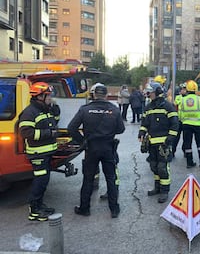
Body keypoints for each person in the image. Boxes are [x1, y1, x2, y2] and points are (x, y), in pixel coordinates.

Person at [68, 83, 125, 218]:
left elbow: (71, 128)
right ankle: (114, 209)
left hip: (91, 148)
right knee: (111, 179)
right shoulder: (114, 109)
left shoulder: (85, 109)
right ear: (105, 95)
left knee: (88, 179)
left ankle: (84, 208)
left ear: (93, 94)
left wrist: (82, 141)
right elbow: (121, 129)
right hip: (108, 147)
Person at [19, 82, 60, 221]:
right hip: (38, 154)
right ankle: (34, 210)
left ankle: (40, 205)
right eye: (48, 96)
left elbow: (54, 123)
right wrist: (48, 133)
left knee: (43, 180)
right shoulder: (30, 112)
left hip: (46, 152)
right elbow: (26, 132)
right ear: (40, 96)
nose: (51, 98)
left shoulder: (45, 109)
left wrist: (56, 112)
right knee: (40, 181)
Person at [138, 82, 179, 203]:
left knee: (162, 167)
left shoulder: (168, 106)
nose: (148, 94)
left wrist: (170, 139)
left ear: (157, 92)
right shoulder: (149, 107)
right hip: (152, 143)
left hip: (164, 144)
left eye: (150, 92)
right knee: (154, 166)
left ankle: (164, 191)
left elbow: (175, 124)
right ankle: (157, 187)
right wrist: (141, 132)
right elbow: (145, 123)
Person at [180, 80, 200, 169]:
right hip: (198, 123)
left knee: (187, 143)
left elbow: (181, 112)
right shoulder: (199, 99)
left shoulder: (183, 99)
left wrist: (183, 121)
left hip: (186, 124)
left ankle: (189, 162)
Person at [172, 82, 187, 157]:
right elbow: (176, 103)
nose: (183, 91)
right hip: (178, 120)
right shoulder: (178, 97)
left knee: (186, 137)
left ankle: (185, 151)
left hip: (186, 120)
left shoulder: (189, 98)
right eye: (182, 89)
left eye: (184, 89)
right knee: (176, 137)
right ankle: (173, 151)